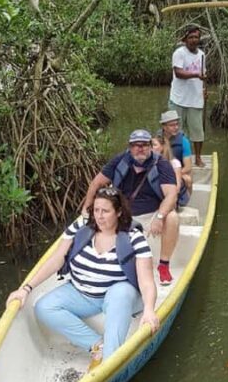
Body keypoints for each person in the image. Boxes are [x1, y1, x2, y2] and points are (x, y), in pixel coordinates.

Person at [6, 188, 159, 371]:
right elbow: (56, 259)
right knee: (43, 307)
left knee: (120, 292)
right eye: (96, 210)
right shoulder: (81, 227)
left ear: (118, 212)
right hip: (81, 293)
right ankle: (97, 345)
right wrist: (26, 288)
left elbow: (147, 280)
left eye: (106, 211)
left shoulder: (134, 237)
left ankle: (110, 363)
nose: (99, 217)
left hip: (120, 297)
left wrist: (149, 310)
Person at [82, 129, 179, 286]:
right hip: (122, 214)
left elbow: (171, 195)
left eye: (144, 145)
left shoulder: (162, 164)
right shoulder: (120, 160)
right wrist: (86, 208)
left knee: (172, 217)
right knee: (98, 217)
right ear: (130, 147)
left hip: (151, 214)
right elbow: (96, 183)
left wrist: (160, 217)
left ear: (150, 147)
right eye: (135, 145)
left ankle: (163, 265)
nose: (140, 148)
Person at [168, 24, 207, 167]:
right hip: (178, 99)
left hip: (196, 100)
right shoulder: (179, 53)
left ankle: (197, 157)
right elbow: (178, 73)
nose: (193, 40)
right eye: (190, 37)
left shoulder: (202, 55)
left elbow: (203, 75)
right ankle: (176, 158)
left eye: (196, 37)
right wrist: (196, 74)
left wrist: (204, 90)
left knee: (198, 132)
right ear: (185, 39)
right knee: (175, 131)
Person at [159, 109, 193, 193]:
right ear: (164, 127)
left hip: (178, 170)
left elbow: (188, 167)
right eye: (172, 125)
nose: (176, 127)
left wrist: (173, 175)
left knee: (188, 179)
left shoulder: (184, 141)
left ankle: (187, 198)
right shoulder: (157, 140)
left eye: (177, 124)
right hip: (161, 171)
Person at [151, 133, 190, 206]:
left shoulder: (174, 163)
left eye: (154, 145)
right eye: (149, 145)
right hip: (154, 196)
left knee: (187, 179)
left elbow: (177, 187)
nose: (151, 148)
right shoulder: (147, 163)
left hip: (169, 196)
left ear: (162, 147)